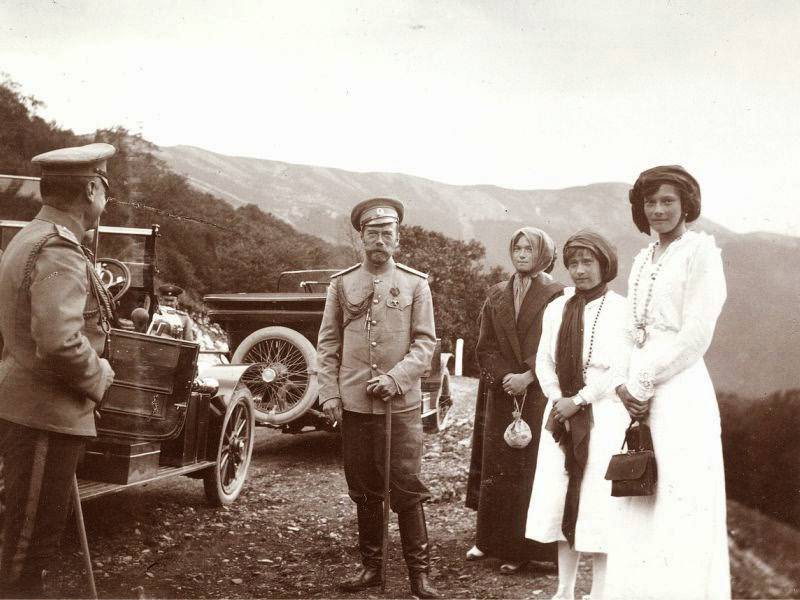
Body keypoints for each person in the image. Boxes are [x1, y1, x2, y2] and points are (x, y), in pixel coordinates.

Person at [604, 165, 731, 599]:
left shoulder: (701, 254)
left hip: (679, 390)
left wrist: (644, 379)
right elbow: (627, 329)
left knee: (679, 496)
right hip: (636, 393)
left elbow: (697, 335)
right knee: (639, 494)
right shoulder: (642, 259)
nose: (658, 209)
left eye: (667, 201)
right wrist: (622, 382)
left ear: (685, 205)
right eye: (650, 202)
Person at [0, 143, 117, 598]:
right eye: (105, 190)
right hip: (44, 415)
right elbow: (59, 342)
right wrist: (100, 378)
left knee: (26, 542)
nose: (105, 203)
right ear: (90, 189)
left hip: (30, 407)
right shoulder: (59, 250)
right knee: (27, 553)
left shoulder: (30, 237)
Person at [316, 197, 439, 598]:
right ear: (362, 238)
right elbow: (328, 344)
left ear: (398, 240)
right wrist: (330, 393)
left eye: (388, 233)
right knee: (364, 488)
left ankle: (419, 575)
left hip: (399, 406)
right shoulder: (341, 284)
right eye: (373, 233)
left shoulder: (415, 284)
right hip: (354, 404)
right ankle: (371, 568)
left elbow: (425, 344)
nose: (380, 240)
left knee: (406, 487)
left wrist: (397, 378)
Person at [525, 231, 630, 600]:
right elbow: (544, 360)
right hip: (560, 417)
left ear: (605, 265)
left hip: (603, 417)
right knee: (560, 501)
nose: (580, 270)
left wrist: (581, 400)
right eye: (573, 263)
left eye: (588, 262)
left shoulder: (621, 309)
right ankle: (564, 589)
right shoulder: (558, 307)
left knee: (598, 505)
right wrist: (558, 400)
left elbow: (620, 366)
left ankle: (600, 593)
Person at [465, 227, 564, 573]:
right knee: (498, 467)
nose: (521, 254)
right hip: (503, 392)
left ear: (543, 255)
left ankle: (527, 549)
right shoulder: (496, 294)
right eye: (517, 248)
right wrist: (505, 378)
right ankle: (492, 541)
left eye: (529, 249)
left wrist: (528, 376)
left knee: (532, 469)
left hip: (538, 392)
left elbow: (556, 346)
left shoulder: (556, 295)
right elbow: (485, 344)